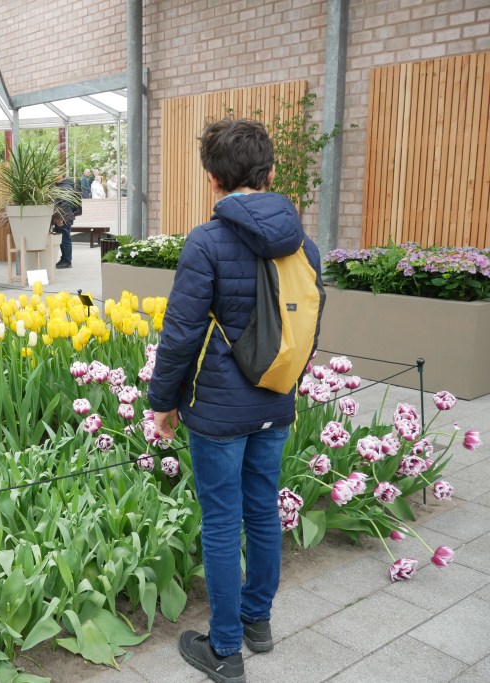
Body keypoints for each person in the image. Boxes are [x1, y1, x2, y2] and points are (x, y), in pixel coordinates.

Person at [147, 118, 323, 683]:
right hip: (275, 400)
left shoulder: (207, 242)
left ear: (213, 178)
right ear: (269, 173)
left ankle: (224, 650)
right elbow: (310, 326)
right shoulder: (304, 244)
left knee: (223, 524)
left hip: (219, 410)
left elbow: (181, 334)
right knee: (263, 510)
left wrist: (162, 401)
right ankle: (257, 622)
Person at [52, 175, 79, 269]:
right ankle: (64, 258)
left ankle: (67, 261)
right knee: (63, 239)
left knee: (65, 239)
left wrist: (61, 218)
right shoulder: (65, 186)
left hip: (64, 217)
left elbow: (65, 204)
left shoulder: (64, 187)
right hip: (64, 216)